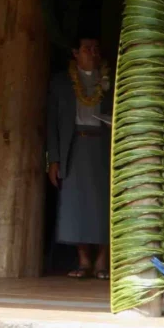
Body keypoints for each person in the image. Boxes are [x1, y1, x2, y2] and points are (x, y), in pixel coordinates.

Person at [46, 34, 112, 279]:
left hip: (103, 146)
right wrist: (53, 158)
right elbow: (52, 122)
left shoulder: (110, 80)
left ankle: (102, 262)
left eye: (96, 48)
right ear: (75, 53)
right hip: (74, 147)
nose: (92, 53)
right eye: (87, 48)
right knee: (75, 204)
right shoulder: (62, 82)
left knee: (105, 204)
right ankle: (84, 260)